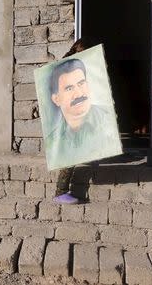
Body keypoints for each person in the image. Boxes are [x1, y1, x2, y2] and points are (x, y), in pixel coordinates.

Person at [49, 39, 120, 204]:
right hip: (70, 119)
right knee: (71, 156)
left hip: (85, 113)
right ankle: (60, 192)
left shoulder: (84, 68)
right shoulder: (66, 68)